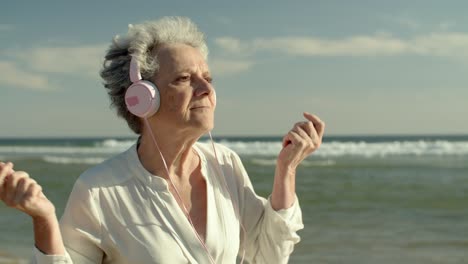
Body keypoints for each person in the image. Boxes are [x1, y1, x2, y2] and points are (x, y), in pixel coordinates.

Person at [0, 16, 325, 263]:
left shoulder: (225, 163)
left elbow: (267, 255)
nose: (206, 89)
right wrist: (43, 218)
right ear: (141, 99)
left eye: (208, 78)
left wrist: (287, 171)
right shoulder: (99, 190)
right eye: (184, 79)